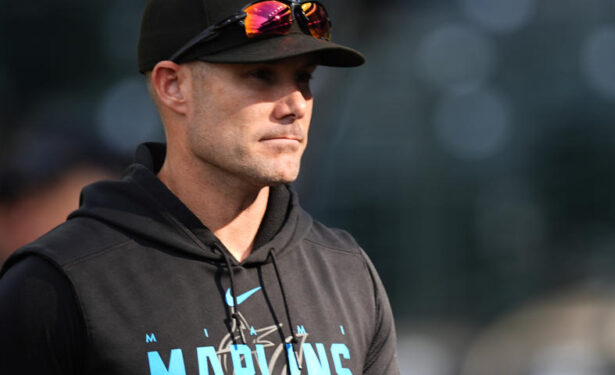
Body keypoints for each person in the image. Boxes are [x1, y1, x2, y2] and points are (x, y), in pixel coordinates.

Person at [0, 0, 400, 374]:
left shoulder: (348, 272)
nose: (295, 104)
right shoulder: (56, 284)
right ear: (173, 86)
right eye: (261, 75)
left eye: (303, 77)